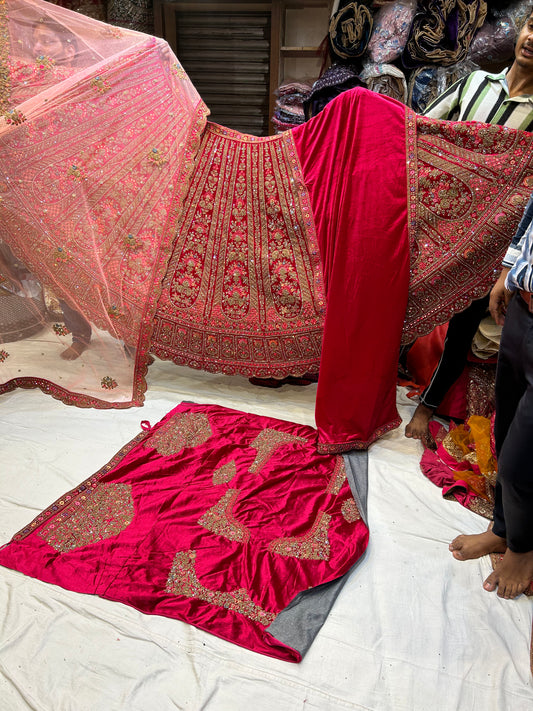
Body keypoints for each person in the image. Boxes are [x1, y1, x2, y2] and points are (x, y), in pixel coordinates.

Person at [405, 9, 533, 447]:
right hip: (436, 219)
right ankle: (376, 381)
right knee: (398, 299)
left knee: (462, 325)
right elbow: (421, 129)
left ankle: (427, 404)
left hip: (487, 241)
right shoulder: (475, 83)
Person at [449, 194, 533, 599]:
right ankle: (502, 529)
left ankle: (522, 547)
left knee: (523, 459)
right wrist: (506, 273)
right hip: (524, 308)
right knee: (505, 429)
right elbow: (532, 214)